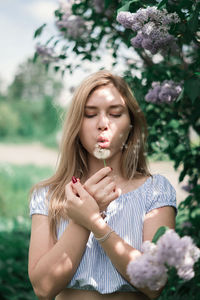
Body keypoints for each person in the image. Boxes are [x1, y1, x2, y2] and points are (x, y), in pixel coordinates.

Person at [28, 70, 177, 300]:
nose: (103, 124)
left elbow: (154, 283)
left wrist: (96, 222)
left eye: (115, 113)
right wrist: (81, 219)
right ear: (76, 124)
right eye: (89, 114)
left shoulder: (156, 191)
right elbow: (43, 288)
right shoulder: (49, 195)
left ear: (130, 125)